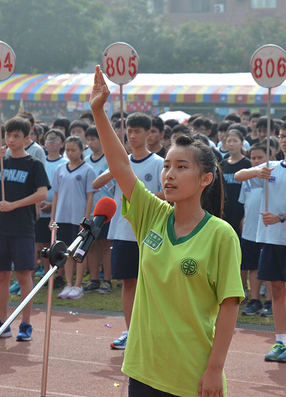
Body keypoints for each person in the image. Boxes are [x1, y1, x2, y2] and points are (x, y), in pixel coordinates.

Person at [90, 65, 243, 396]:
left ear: (205, 179)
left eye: (181, 167)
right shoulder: (152, 216)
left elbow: (230, 305)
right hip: (144, 368)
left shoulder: (220, 234)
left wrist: (215, 369)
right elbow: (119, 166)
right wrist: (98, 111)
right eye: (167, 166)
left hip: (192, 375)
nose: (169, 175)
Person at [235, 119, 286, 363]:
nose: (285, 139)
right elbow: (239, 175)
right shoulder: (270, 167)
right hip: (270, 239)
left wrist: (280, 217)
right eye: (282, 135)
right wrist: (256, 171)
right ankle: (280, 340)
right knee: (276, 290)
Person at [0, 116, 49, 342]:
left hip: (23, 227)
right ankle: (3, 323)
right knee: (2, 275)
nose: (11, 140)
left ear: (27, 137)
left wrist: (14, 204)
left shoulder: (34, 164)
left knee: (24, 275)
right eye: (8, 135)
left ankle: (26, 323)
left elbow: (42, 193)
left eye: (16, 136)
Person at [92, 111, 164, 350]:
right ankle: (130, 331)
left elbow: (170, 193)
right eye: (129, 131)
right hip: (123, 231)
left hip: (150, 232)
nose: (132, 136)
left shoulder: (158, 163)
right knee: (128, 283)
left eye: (137, 131)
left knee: (152, 285)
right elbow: (96, 184)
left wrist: (146, 199)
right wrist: (117, 169)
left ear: (149, 134)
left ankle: (151, 331)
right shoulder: (120, 162)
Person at [50, 136, 96, 300]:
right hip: (62, 216)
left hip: (78, 218)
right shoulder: (60, 169)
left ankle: (78, 285)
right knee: (65, 252)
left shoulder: (88, 170)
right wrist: (53, 217)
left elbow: (90, 196)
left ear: (82, 150)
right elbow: (56, 194)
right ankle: (68, 284)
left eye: (73, 150)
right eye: (67, 150)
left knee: (78, 252)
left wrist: (86, 219)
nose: (70, 153)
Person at [239, 144, 271, 316]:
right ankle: (255, 300)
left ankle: (270, 301)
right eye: (253, 158)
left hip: (267, 229)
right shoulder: (247, 176)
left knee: (268, 267)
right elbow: (245, 201)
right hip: (250, 229)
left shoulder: (274, 175)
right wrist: (244, 218)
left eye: (260, 157)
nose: (256, 161)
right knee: (252, 267)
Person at [35, 129, 67, 287]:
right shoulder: (41, 161)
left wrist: (51, 205)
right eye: (49, 139)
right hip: (40, 208)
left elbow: (64, 190)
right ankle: (46, 272)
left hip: (57, 210)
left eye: (55, 140)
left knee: (56, 244)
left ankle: (59, 274)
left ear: (62, 144)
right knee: (42, 243)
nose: (52, 143)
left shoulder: (64, 163)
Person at [84, 126, 114, 294]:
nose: (90, 143)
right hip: (90, 210)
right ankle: (94, 279)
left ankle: (107, 280)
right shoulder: (86, 160)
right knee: (91, 246)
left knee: (105, 245)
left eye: (93, 139)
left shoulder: (109, 160)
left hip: (106, 211)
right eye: (88, 139)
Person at [221, 128, 251, 236]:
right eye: (229, 141)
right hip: (225, 209)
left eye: (235, 141)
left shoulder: (247, 163)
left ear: (242, 143)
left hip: (240, 209)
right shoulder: (223, 163)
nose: (231, 144)